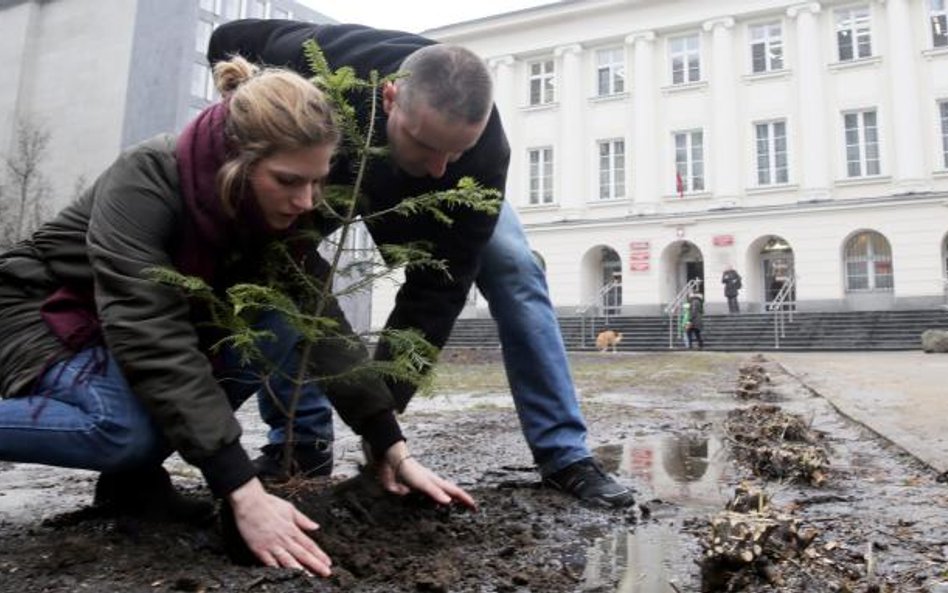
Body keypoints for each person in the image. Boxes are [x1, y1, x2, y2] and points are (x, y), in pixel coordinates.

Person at [0, 57, 474, 577]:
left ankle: (131, 484)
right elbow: (149, 333)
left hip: (113, 329)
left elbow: (322, 318)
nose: (306, 201)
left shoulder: (270, 208)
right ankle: (131, 462)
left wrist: (390, 445)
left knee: (279, 319)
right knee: (119, 429)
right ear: (236, 160)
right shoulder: (148, 178)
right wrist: (243, 490)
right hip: (40, 310)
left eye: (316, 182)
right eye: (289, 181)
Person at [208, 20, 634, 508]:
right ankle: (302, 443)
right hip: (331, 169)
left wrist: (382, 426)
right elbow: (228, 39)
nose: (439, 168)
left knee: (516, 268)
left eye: (457, 151)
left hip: (447, 208)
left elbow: (439, 288)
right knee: (276, 264)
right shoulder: (320, 64)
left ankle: (565, 455)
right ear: (389, 98)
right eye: (427, 146)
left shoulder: (479, 157)